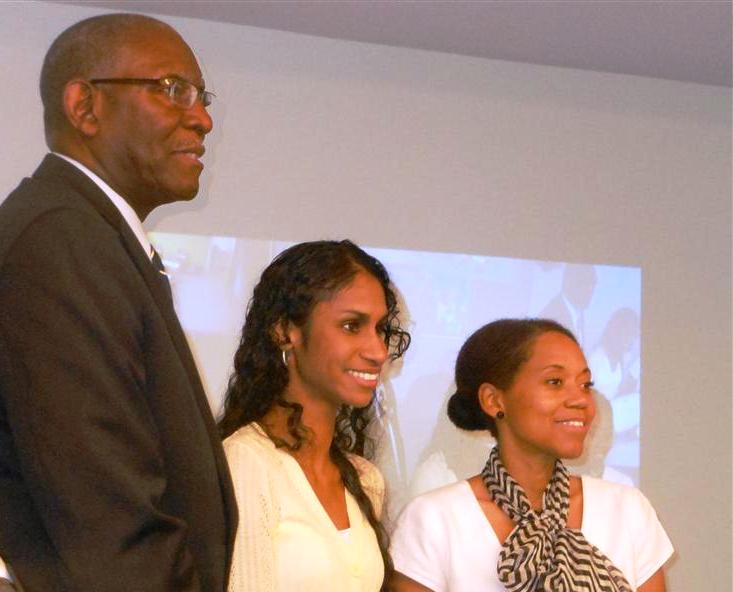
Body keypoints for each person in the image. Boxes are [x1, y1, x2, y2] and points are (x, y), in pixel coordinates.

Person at [0, 14, 237, 591]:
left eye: (201, 96)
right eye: (171, 88)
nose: (202, 118)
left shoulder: (90, 234)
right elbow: (108, 513)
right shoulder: (60, 238)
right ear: (85, 106)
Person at [390, 319, 673, 592]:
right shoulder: (434, 519)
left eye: (585, 384)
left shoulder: (627, 510)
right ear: (494, 400)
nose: (581, 400)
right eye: (554, 381)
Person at [218, 240, 411, 592]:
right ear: (285, 331)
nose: (379, 351)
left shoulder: (365, 479)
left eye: (381, 329)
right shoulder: (246, 462)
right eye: (352, 326)